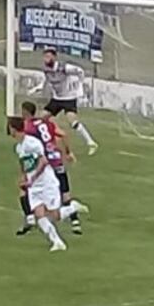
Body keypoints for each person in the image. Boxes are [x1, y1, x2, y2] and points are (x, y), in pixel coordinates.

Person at [7, 116, 88, 253]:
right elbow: (24, 165)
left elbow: (43, 162)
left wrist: (32, 179)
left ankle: (72, 207)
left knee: (54, 216)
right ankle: (57, 242)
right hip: (33, 186)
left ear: (14, 129)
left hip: (46, 183)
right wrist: (24, 178)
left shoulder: (33, 143)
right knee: (39, 215)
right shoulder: (19, 147)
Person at [19, 101, 80, 235]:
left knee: (24, 189)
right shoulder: (47, 123)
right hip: (56, 159)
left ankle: (30, 219)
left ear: (24, 112)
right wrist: (68, 152)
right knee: (65, 193)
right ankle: (75, 222)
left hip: (45, 163)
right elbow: (62, 134)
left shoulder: (28, 128)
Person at [30, 48, 99, 155]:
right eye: (45, 57)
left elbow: (80, 71)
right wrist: (38, 87)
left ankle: (91, 142)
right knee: (40, 118)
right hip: (57, 98)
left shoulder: (64, 67)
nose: (46, 59)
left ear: (54, 57)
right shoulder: (46, 69)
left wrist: (80, 86)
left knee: (73, 122)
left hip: (69, 99)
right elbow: (47, 79)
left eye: (48, 57)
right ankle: (41, 141)